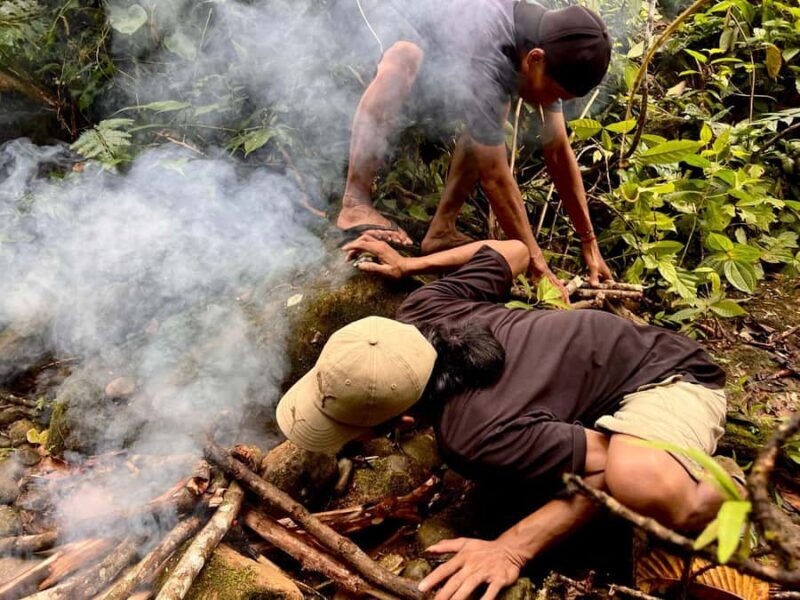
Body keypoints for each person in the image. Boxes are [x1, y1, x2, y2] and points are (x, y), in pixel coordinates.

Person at [276, 235, 733, 600]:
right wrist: (410, 266)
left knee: (640, 480)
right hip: (624, 350)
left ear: (402, 422)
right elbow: (514, 250)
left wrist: (513, 548)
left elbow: (606, 464)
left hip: (670, 379)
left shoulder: (471, 434)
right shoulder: (422, 311)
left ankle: (734, 491)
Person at [336, 0, 615, 293]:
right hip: (377, 7)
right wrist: (537, 266)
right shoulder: (491, 51)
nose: (548, 102)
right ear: (535, 60)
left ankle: (441, 230)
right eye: (555, 94)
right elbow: (494, 175)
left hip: (443, 29)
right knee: (405, 57)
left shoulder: (549, 43)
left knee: (492, 111)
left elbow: (557, 148)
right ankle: (355, 202)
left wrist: (589, 240)